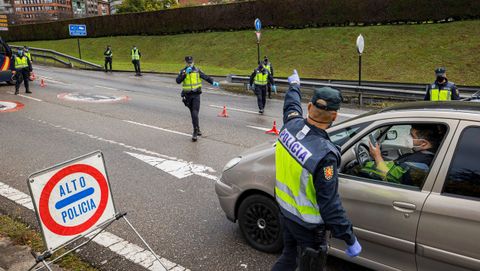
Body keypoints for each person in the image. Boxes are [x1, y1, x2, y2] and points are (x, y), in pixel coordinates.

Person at [272, 70, 361, 271]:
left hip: (285, 212)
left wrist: (295, 85)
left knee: (288, 257)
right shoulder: (325, 156)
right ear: (335, 116)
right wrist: (349, 237)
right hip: (308, 226)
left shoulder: (291, 124)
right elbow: (330, 205)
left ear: (309, 107)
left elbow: (291, 105)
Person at [364, 124, 443, 186]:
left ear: (423, 143)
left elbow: (388, 178)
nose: (408, 137)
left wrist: (377, 156)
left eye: (412, 135)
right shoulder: (428, 154)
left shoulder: (417, 163)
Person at [176, 56, 220, 142]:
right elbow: (178, 81)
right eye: (188, 63)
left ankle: (195, 132)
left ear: (193, 62)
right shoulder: (183, 71)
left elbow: (205, 77)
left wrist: (212, 82)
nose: (190, 64)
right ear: (186, 63)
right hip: (187, 96)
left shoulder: (197, 70)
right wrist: (184, 73)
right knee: (193, 114)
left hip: (196, 95)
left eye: (191, 62)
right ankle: (198, 128)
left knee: (194, 113)